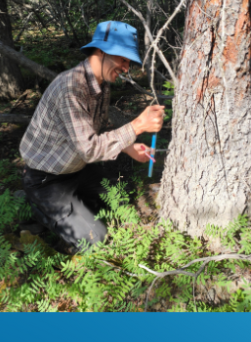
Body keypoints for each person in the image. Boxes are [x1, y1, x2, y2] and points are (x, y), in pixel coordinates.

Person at [19, 21, 165, 252]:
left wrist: (128, 147)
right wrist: (138, 125)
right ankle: (41, 210)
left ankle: (74, 207)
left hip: (77, 168)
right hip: (46, 178)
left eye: (128, 61)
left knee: (119, 198)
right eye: (123, 59)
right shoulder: (71, 88)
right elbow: (89, 148)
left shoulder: (101, 85)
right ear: (100, 51)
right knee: (94, 239)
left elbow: (96, 131)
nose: (126, 68)